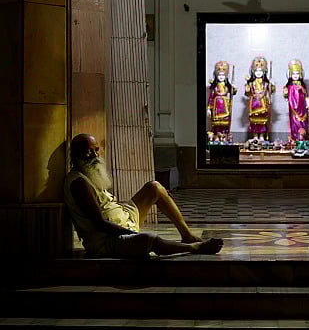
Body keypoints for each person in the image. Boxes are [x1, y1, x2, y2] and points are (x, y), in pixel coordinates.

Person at [64, 133, 224, 259]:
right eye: (88, 151)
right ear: (77, 155)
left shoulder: (89, 174)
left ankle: (187, 235)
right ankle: (194, 247)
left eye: (96, 150)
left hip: (125, 218)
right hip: (107, 240)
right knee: (148, 239)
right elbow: (99, 224)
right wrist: (132, 235)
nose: (95, 156)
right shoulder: (79, 183)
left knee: (154, 187)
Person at [244, 56, 275, 141]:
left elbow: (271, 91)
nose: (258, 73)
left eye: (260, 71)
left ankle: (261, 136)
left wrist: (271, 85)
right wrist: (247, 87)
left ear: (264, 72)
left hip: (262, 103)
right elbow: (247, 93)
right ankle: (255, 136)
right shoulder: (251, 83)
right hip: (254, 104)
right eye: (256, 71)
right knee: (254, 121)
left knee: (262, 121)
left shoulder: (265, 83)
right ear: (253, 72)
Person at [282, 59, 309, 143]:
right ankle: (295, 139)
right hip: (293, 109)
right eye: (293, 73)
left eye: (297, 73)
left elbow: (306, 97)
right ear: (290, 74)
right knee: (294, 124)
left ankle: (303, 139)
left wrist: (308, 108)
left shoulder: (302, 86)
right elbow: (286, 96)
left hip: (303, 109)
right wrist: (285, 92)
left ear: (300, 74)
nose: (295, 75)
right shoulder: (289, 86)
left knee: (303, 124)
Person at [207, 61, 237, 141]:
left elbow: (233, 93)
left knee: (224, 123)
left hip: (225, 106)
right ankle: (216, 136)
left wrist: (233, 88)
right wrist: (209, 108)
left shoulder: (227, 86)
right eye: (219, 75)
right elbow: (211, 98)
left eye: (223, 75)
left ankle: (223, 136)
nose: (221, 77)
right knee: (216, 123)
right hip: (216, 106)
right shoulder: (214, 87)